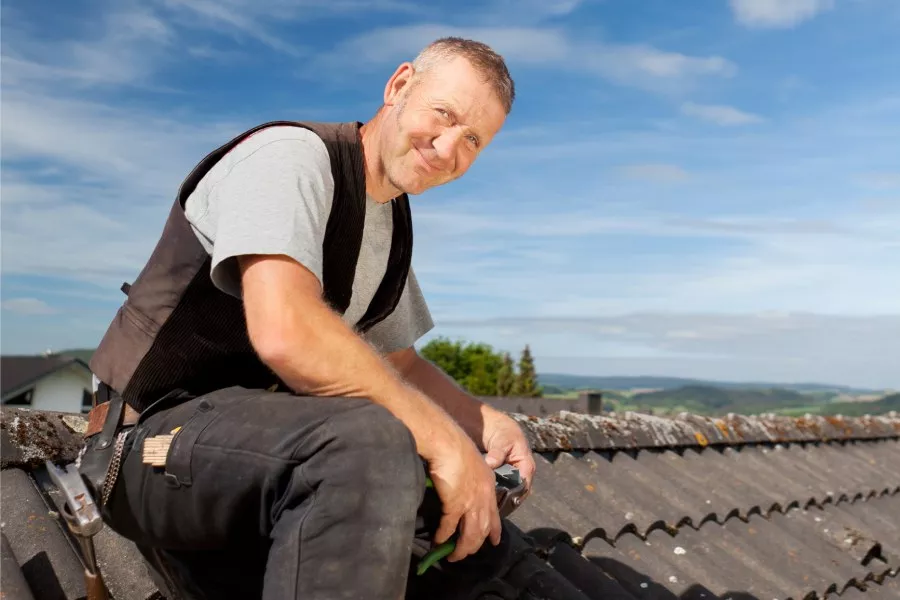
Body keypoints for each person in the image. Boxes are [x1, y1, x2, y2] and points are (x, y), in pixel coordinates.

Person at [78, 37, 536, 599]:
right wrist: (444, 440)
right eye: (444, 114)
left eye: (473, 140)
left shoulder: (390, 226)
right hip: (146, 445)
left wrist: (483, 423)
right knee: (370, 445)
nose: (447, 148)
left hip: (265, 458)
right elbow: (287, 332)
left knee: (479, 539)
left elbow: (397, 364)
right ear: (398, 87)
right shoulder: (290, 158)